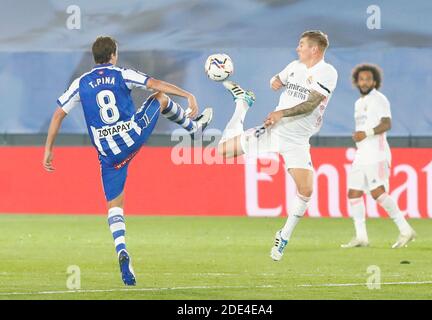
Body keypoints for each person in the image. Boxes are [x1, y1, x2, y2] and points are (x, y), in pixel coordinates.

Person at [43, 36, 212, 285]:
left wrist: (48, 149)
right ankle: (193, 129)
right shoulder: (120, 73)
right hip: (131, 136)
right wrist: (188, 95)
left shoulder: (81, 83)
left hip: (108, 155)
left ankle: (122, 250)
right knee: (160, 99)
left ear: (94, 57)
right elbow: (154, 83)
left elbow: (58, 113)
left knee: (115, 205)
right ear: (113, 55)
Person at [218, 30, 338, 261]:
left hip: (298, 140)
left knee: (306, 190)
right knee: (221, 152)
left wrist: (281, 111)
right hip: (274, 131)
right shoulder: (294, 66)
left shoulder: (327, 72)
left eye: (301, 45)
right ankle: (242, 105)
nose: (298, 48)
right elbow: (277, 80)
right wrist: (275, 82)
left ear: (314, 49)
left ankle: (283, 235)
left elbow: (312, 104)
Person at [341, 63, 416, 249]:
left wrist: (365, 133)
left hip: (377, 153)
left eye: (368, 79)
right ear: (356, 82)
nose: (364, 82)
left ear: (375, 81)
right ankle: (361, 237)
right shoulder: (358, 103)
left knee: (378, 193)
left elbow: (387, 123)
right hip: (362, 154)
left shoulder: (379, 99)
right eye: (361, 79)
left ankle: (405, 230)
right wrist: (359, 136)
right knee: (353, 193)